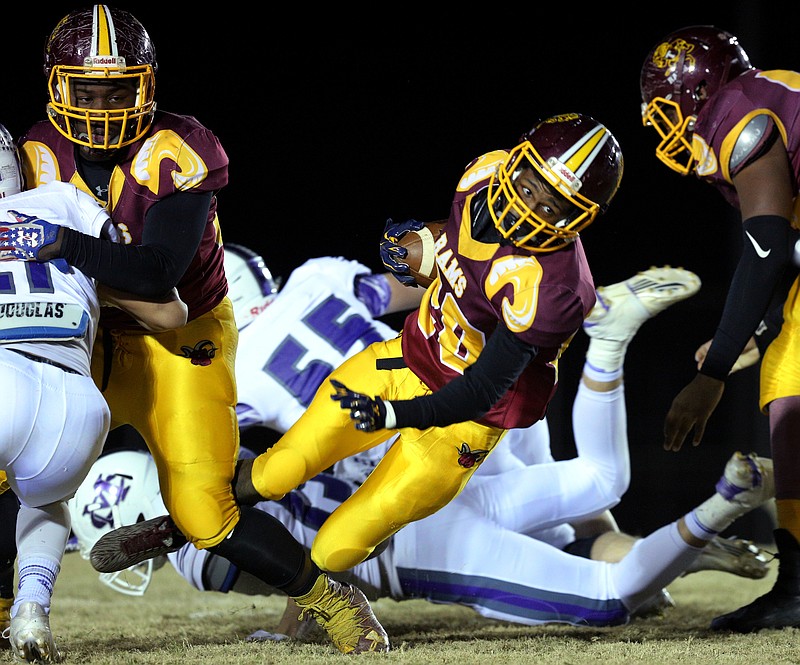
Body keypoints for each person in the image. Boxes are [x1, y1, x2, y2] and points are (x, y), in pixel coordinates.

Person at [69, 258, 776, 636]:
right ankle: (608, 348)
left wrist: (295, 620)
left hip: (411, 489)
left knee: (602, 590)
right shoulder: (318, 280)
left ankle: (704, 523)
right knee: (592, 497)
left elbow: (278, 539)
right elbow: (422, 287)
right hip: (478, 397)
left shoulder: (225, 382)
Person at [86, 112, 625, 583]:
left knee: (338, 543)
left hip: (468, 417)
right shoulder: (481, 179)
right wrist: (418, 246)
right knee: (281, 471)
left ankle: (302, 589)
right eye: (530, 185)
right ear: (516, 161)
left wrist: (395, 413)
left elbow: (480, 389)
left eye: (555, 206)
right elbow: (447, 248)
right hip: (404, 361)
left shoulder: (551, 290)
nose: (530, 209)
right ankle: (189, 527)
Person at [0, 5, 387, 654]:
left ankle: (329, 599)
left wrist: (61, 242)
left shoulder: (181, 151)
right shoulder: (39, 150)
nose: (101, 104)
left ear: (147, 86)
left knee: (204, 512)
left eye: (118, 88)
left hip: (181, 338)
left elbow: (157, 276)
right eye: (87, 88)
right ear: (56, 85)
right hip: (90, 331)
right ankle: (8, 604)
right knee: (13, 460)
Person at [0, 121, 188, 663]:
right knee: (44, 497)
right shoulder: (66, 204)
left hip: (5, 379)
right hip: (78, 411)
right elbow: (172, 312)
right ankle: (31, 608)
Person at [640, 25, 800, 632]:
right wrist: (757, 327)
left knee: (790, 381)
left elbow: (765, 251)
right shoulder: (762, 99)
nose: (664, 123)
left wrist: (710, 376)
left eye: (667, 107)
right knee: (787, 370)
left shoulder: (741, 114)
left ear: (698, 90)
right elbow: (785, 253)